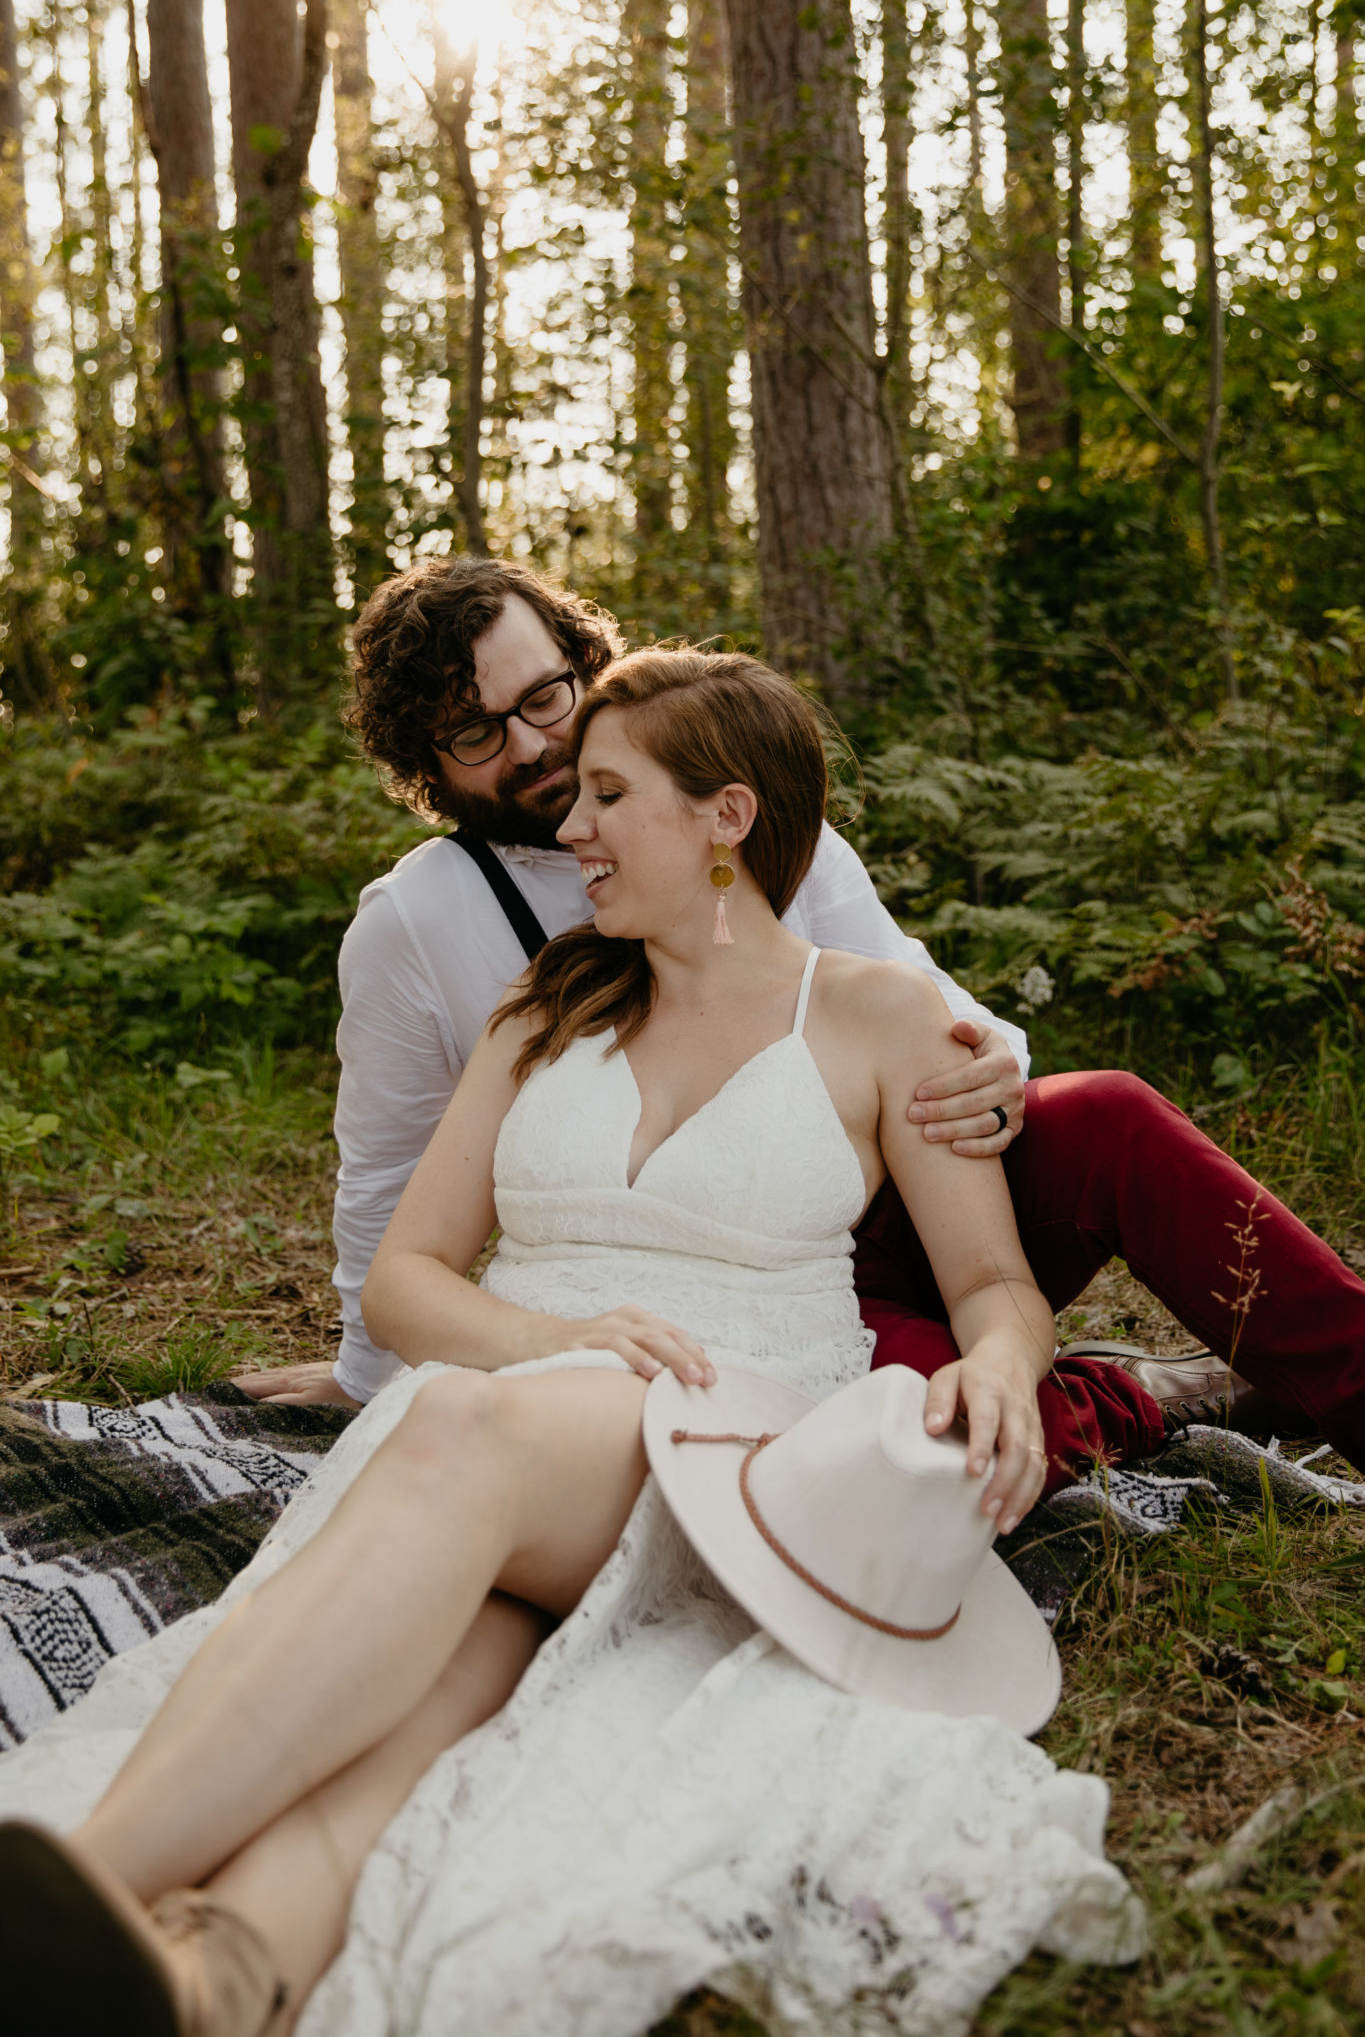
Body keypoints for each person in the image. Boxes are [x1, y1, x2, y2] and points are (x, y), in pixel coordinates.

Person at [0, 651, 1142, 2036]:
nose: (571, 825)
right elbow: (407, 1282)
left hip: (730, 1438)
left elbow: (991, 1284)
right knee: (433, 1714)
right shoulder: (550, 1003)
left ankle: (94, 1872)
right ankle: (208, 1979)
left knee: (466, 1427)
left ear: (726, 817)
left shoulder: (880, 1016)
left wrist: (1002, 1364)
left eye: (608, 793)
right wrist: (555, 1335)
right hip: (512, 1443)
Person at [245, 556, 1365, 1484]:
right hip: (735, 1279)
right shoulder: (417, 923)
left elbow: (910, 995)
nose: (535, 746)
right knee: (920, 1453)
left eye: (545, 697)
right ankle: (1123, 1393)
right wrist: (369, 1373)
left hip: (884, 1179)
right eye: (477, 732)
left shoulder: (748, 826)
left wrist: (995, 1067)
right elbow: (388, 1171)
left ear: (586, 666)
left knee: (1111, 1114)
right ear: (425, 763)